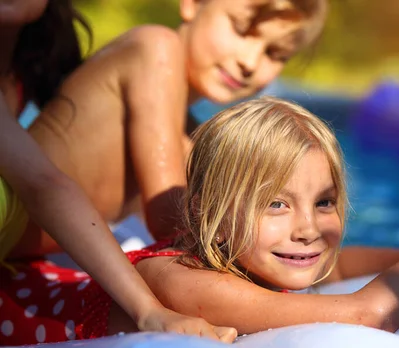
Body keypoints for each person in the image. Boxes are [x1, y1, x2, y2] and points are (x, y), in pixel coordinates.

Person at [0, 97, 399, 344]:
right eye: (276, 204)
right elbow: (364, 314)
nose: (308, 228)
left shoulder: (238, 252)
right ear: (209, 217)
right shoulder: (185, 283)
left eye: (325, 202)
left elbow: (337, 267)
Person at [12, 0, 329, 260]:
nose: (250, 61)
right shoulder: (156, 49)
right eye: (240, 29)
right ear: (193, 4)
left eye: (275, 54)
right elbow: (166, 217)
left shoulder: (187, 130)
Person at [0, 0, 236, 342]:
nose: (249, 61)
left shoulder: (22, 70)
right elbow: (45, 186)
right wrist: (150, 312)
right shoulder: (153, 48)